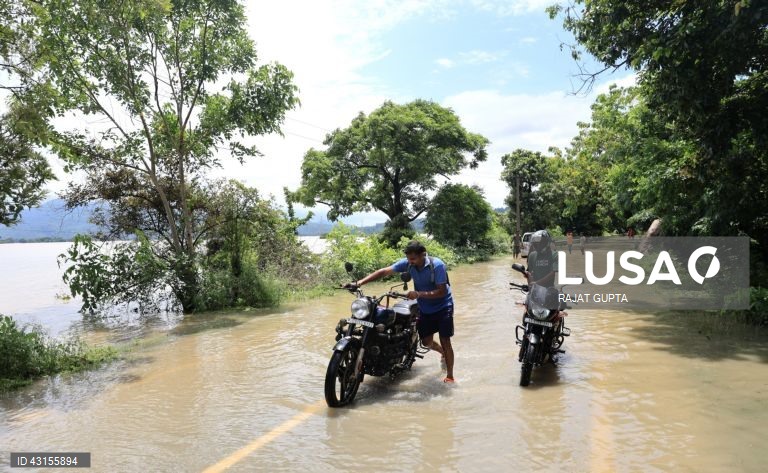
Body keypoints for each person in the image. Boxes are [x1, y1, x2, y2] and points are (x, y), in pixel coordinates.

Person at [349, 240, 456, 383]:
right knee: (426, 342)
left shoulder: (437, 265)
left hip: (443, 307)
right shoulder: (408, 263)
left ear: (423, 254)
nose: (410, 262)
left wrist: (418, 294)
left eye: (413, 259)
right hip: (425, 308)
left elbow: (442, 291)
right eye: (408, 258)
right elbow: (384, 271)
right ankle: (441, 352)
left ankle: (450, 376)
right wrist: (359, 283)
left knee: (445, 340)